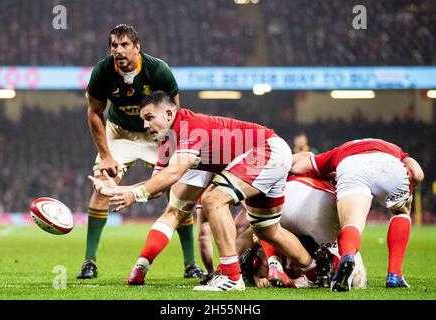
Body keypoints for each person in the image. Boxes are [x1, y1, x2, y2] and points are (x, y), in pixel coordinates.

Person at [89, 91, 318, 291]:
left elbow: (174, 173)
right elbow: (158, 184)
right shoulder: (167, 141)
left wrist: (134, 195)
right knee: (268, 230)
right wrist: (120, 189)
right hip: (269, 153)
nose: (145, 125)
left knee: (213, 199)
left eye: (149, 118)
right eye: (143, 120)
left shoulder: (188, 125)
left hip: (266, 149)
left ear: (169, 115)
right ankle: (314, 272)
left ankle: (231, 276)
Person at [78, 24, 203, 280]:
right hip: (119, 131)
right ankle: (89, 262)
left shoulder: (158, 70)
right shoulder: (102, 71)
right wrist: (105, 155)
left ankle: (190, 264)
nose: (118, 50)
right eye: (114, 45)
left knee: (176, 190)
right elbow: (94, 112)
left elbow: (173, 115)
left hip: (155, 133)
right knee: (103, 186)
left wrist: (169, 157)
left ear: (137, 47)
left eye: (124, 45)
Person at [291, 138, 424, 291]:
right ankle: (395, 275)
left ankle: (347, 256)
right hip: (387, 163)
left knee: (351, 224)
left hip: (351, 167)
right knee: (401, 212)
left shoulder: (338, 150)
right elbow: (416, 172)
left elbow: (298, 168)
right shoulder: (394, 148)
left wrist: (330, 175)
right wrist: (409, 189)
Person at [233, 175, 367, 289]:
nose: (290, 267)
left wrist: (260, 273)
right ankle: (308, 272)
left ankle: (306, 272)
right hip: (313, 198)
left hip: (288, 196)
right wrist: (259, 275)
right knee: (355, 278)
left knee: (353, 277)